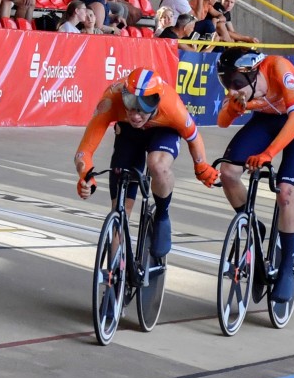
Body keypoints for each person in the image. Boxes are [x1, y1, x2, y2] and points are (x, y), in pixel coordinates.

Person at [74, 69, 219, 259]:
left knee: (157, 165)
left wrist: (201, 167)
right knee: (120, 209)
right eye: (130, 104)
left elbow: (193, 137)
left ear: (157, 102)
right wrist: (86, 176)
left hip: (163, 131)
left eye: (143, 108)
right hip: (129, 134)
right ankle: (114, 274)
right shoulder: (111, 98)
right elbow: (84, 151)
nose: (135, 115)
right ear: (124, 96)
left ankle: (162, 215)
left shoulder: (172, 106)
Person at [214, 47, 294, 302]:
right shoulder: (240, 87)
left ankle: (287, 268)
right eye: (226, 83)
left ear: (253, 74)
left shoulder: (278, 68)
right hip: (266, 119)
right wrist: (234, 109)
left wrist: (268, 154)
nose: (232, 89)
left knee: (285, 192)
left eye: (236, 83)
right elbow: (222, 121)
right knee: (227, 172)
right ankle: (252, 224)